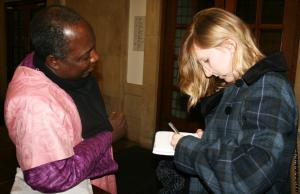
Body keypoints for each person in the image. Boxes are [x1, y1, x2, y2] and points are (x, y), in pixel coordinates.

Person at [170, 8, 298, 194]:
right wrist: (209, 140)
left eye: (206, 60)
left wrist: (188, 147)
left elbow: (245, 177)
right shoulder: (237, 85)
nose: (206, 73)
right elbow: (240, 140)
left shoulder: (269, 88)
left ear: (229, 45)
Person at [4, 5, 127, 194]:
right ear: (54, 61)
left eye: (93, 48)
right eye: (85, 56)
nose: (95, 57)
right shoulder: (34, 105)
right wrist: (108, 135)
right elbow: (52, 177)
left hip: (94, 180)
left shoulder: (55, 65)